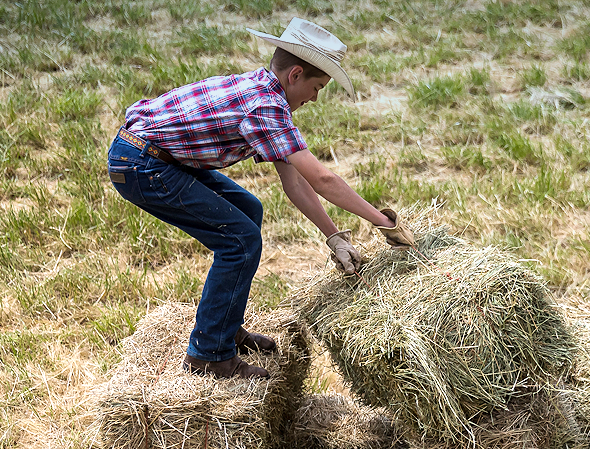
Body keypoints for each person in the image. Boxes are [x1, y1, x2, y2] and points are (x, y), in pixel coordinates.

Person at [106, 18, 415, 379]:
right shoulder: (265, 106)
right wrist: (383, 222)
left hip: (156, 155)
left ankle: (223, 326)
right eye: (317, 87)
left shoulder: (262, 89)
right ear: (295, 75)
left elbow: (295, 179)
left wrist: (334, 236)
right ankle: (209, 355)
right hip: (144, 164)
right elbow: (322, 178)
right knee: (240, 240)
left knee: (248, 210)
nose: (315, 98)